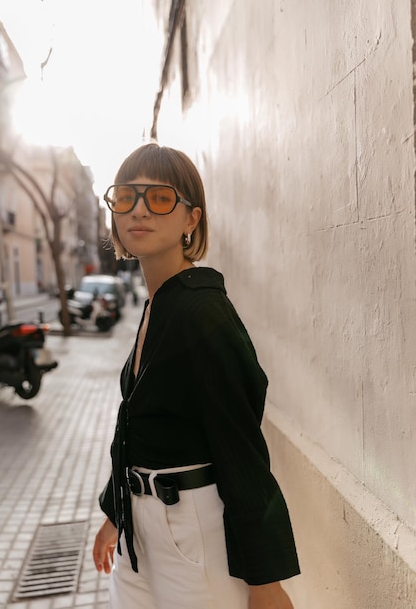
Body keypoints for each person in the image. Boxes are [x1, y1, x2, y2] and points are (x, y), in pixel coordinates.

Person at [93, 143, 300, 609]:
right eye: (126, 196)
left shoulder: (203, 313)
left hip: (189, 532)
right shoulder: (158, 304)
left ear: (191, 219)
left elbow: (240, 444)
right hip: (138, 532)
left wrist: (266, 582)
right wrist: (115, 512)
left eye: (160, 198)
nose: (139, 210)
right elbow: (138, 425)